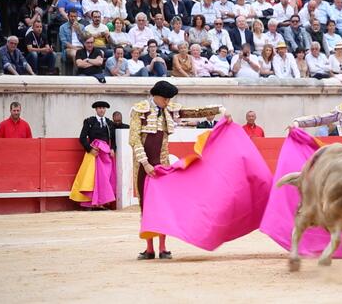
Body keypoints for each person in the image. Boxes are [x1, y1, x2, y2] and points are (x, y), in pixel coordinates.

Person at [129, 81, 230, 260]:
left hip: (162, 164)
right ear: (156, 96)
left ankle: (163, 247)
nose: (167, 102)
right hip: (144, 167)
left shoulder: (169, 109)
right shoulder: (139, 111)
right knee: (146, 207)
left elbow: (194, 112)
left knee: (163, 206)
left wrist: (219, 110)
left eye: (169, 99)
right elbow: (134, 140)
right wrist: (145, 164)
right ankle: (149, 248)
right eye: (165, 99)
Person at [72, 101, 117, 209]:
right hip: (94, 153)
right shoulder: (89, 121)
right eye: (99, 108)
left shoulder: (109, 123)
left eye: (103, 108)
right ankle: (92, 202)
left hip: (105, 153)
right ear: (96, 110)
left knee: (104, 177)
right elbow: (82, 138)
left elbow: (114, 139)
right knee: (93, 177)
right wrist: (90, 149)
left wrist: (112, 149)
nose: (102, 110)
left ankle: (102, 202)